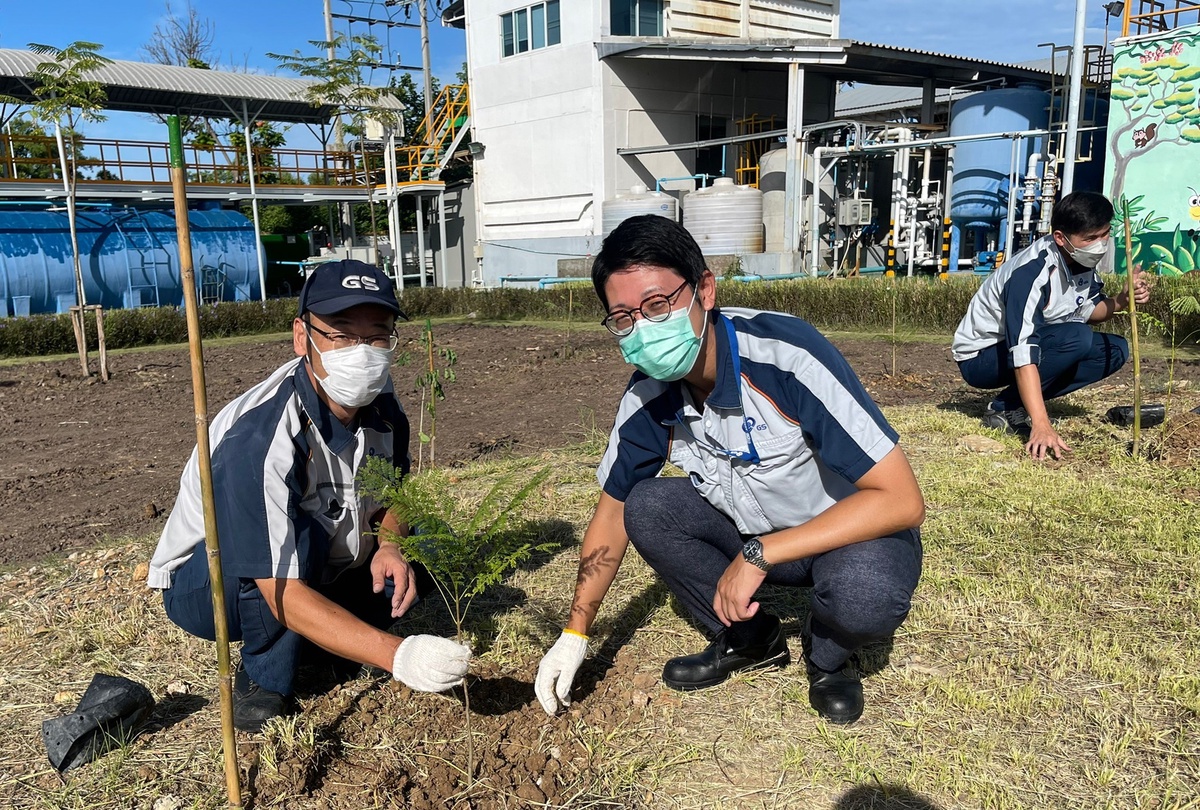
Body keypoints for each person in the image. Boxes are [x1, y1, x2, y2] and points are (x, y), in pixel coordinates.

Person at [534, 216, 925, 725]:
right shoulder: (648, 398)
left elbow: (901, 500)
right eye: (625, 317)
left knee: (865, 595)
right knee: (646, 506)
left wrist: (763, 554)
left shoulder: (787, 360)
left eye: (658, 305)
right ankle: (751, 640)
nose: (645, 328)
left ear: (705, 290)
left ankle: (828, 656)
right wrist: (575, 632)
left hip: (847, 536)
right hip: (757, 535)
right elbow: (610, 516)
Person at [149, 260, 470, 732]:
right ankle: (264, 681)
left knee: (429, 536)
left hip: (320, 542)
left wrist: (390, 543)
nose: (362, 353)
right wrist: (397, 656)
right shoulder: (260, 437)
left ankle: (327, 639)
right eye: (341, 334)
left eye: (377, 336)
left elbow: (392, 492)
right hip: (208, 582)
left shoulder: (383, 405)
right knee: (302, 539)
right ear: (303, 337)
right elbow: (279, 587)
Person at [952, 191, 1152, 460]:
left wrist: (1121, 300)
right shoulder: (1031, 272)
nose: (1101, 244)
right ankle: (1006, 408)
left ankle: (1009, 404)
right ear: (1060, 237)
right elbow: (1022, 349)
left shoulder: (1080, 259)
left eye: (1105, 234)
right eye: (1091, 238)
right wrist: (1041, 423)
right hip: (983, 357)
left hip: (1039, 342)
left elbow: (1091, 310)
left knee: (1114, 350)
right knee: (1077, 337)